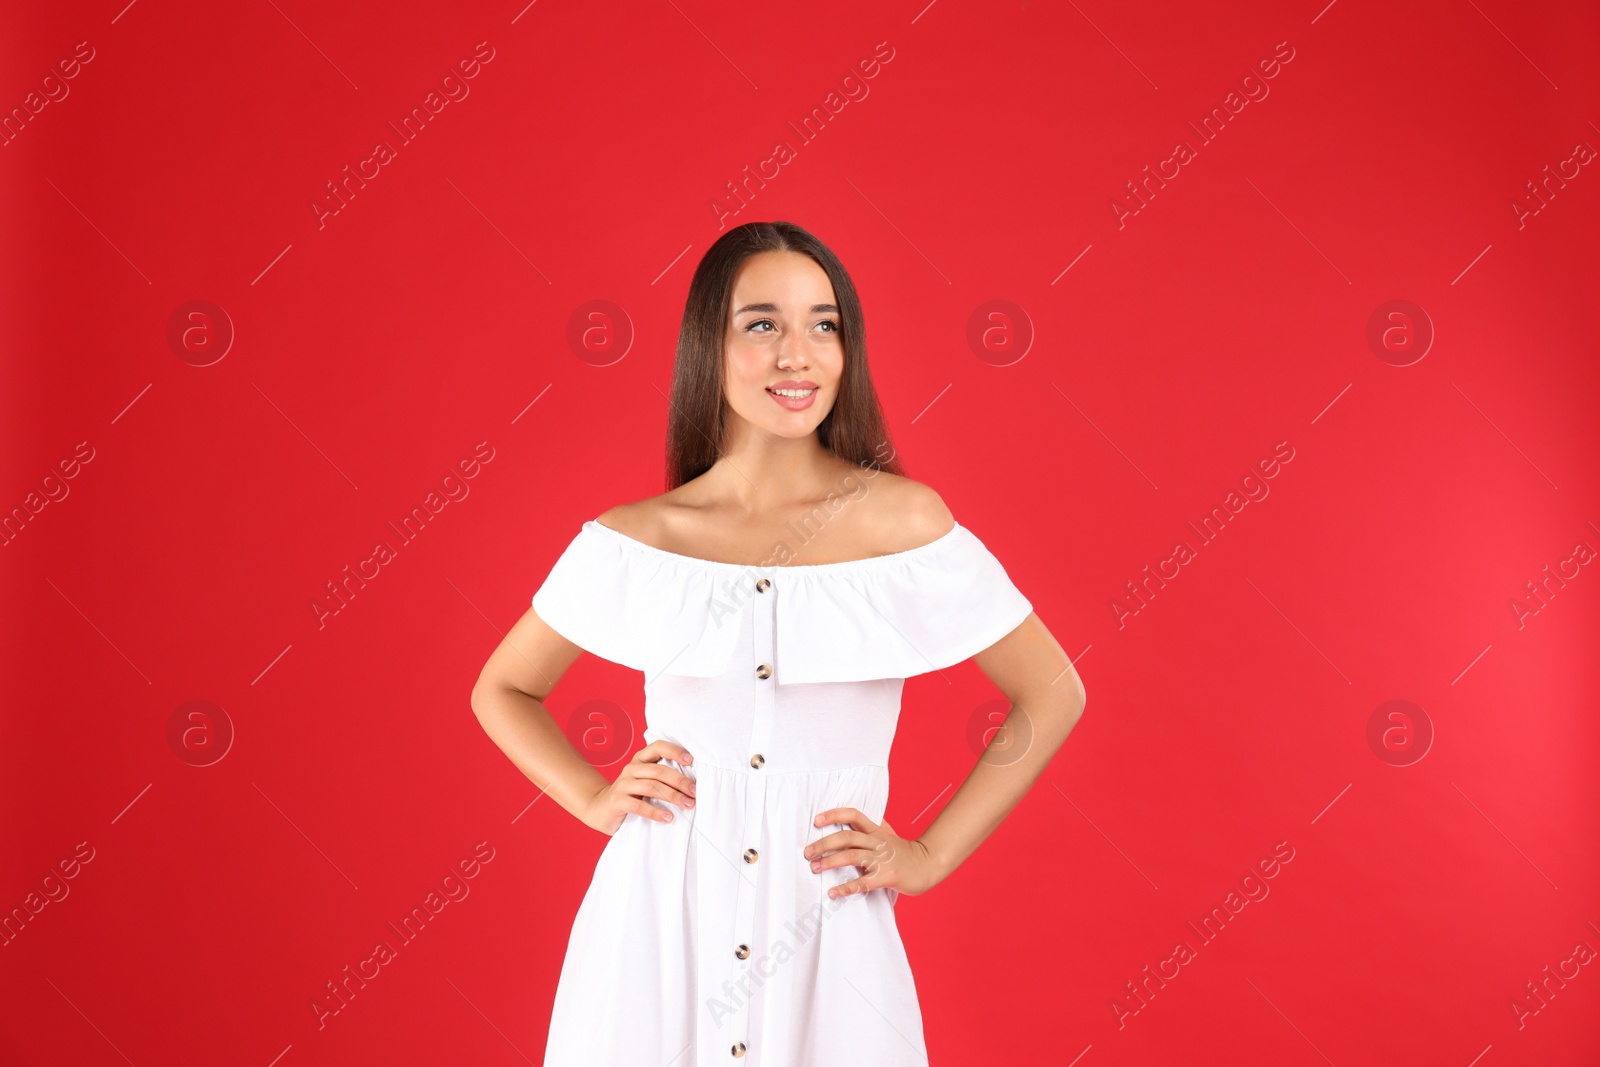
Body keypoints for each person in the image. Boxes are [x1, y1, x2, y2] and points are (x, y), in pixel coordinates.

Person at [471, 220, 1086, 1065]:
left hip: (827, 926)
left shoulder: (902, 523)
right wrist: (591, 798)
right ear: (708, 347)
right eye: (762, 324)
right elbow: (500, 688)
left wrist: (930, 855)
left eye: (823, 324)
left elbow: (1053, 690)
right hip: (659, 927)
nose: (798, 353)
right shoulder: (645, 538)